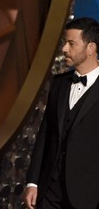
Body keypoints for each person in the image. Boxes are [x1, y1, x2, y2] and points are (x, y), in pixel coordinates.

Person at [24, 17, 99, 209]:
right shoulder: (59, 83)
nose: (64, 49)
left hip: (89, 195)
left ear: (91, 48)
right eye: (65, 43)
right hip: (49, 191)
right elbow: (45, 134)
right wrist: (32, 182)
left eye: (71, 43)